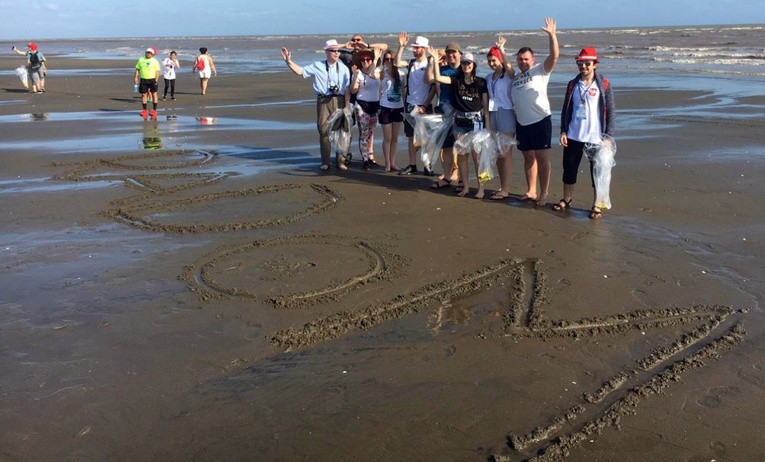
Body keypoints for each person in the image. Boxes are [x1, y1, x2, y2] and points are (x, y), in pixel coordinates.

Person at [555, 47, 616, 219]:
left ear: (595, 64)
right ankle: (567, 199)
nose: (583, 67)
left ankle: (596, 205)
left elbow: (611, 110)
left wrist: (609, 137)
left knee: (596, 172)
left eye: (587, 63)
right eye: (580, 63)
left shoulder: (604, 84)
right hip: (574, 135)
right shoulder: (572, 84)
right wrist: (563, 131)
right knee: (569, 170)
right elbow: (565, 109)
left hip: (597, 138)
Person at [281, 39, 352, 171]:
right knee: (323, 131)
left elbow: (347, 89)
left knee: (341, 132)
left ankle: (341, 161)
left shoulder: (343, 68)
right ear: (326, 51)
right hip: (323, 100)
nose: (336, 53)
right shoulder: (318, 65)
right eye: (333, 51)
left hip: (340, 100)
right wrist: (288, 61)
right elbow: (300, 72)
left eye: (338, 51)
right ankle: (325, 161)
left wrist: (347, 105)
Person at [511, 17, 559, 206]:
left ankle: (544, 193)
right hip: (522, 123)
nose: (523, 61)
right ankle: (531, 190)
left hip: (540, 120)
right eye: (520, 59)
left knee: (541, 156)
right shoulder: (515, 77)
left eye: (526, 59)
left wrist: (552, 35)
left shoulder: (541, 70)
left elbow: (554, 56)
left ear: (533, 60)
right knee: (527, 156)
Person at [430, 51, 490, 198]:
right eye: (464, 63)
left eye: (469, 63)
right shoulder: (456, 80)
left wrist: (487, 126)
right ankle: (466, 187)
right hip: (459, 122)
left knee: (477, 157)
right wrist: (434, 61)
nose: (466, 65)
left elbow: (485, 107)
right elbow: (437, 78)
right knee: (462, 156)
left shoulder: (481, 82)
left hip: (476, 121)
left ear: (473, 64)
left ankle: (481, 188)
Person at [395, 32, 436, 176]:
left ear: (424, 49)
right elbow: (396, 63)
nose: (415, 50)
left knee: (426, 138)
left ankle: (427, 165)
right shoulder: (411, 62)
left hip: (424, 105)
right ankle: (412, 165)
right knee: (411, 137)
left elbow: (430, 84)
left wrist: (425, 105)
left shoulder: (429, 63)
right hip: (410, 104)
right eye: (414, 48)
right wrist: (401, 47)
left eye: (418, 48)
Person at [485, 37, 517, 200]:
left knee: (505, 152)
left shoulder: (508, 75)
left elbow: (511, 68)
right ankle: (502, 186)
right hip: (494, 113)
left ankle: (506, 188)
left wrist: (502, 49)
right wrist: (488, 121)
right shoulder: (489, 78)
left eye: (494, 60)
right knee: (497, 152)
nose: (492, 63)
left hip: (507, 113)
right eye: (489, 61)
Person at [428, 41, 462, 190]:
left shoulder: (465, 68)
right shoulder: (443, 69)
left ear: (460, 54)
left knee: (461, 148)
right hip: (444, 112)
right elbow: (431, 78)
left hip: (461, 114)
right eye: (448, 53)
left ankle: (462, 179)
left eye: (454, 52)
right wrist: (433, 61)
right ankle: (447, 177)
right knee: (447, 147)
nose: (451, 55)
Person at [350, 49, 382, 170]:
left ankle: (370, 156)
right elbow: (353, 90)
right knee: (364, 133)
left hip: (374, 105)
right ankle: (365, 160)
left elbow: (375, 77)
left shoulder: (377, 72)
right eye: (362, 60)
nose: (365, 62)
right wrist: (354, 76)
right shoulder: (358, 73)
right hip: (361, 105)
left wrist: (376, 58)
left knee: (371, 133)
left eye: (367, 59)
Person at [378, 48, 404, 172]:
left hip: (398, 107)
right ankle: (387, 163)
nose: (389, 61)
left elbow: (404, 91)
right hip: (385, 107)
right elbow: (378, 89)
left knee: (395, 138)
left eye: (391, 59)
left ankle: (393, 162)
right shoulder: (382, 73)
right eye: (386, 59)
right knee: (387, 138)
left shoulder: (401, 74)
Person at [134, 47, 161, 119]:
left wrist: (156, 80)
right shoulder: (141, 59)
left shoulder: (155, 61)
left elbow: (158, 71)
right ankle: (144, 110)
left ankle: (154, 110)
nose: (148, 54)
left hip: (152, 79)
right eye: (147, 52)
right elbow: (137, 69)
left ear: (153, 54)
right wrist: (136, 77)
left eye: (150, 53)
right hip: (143, 79)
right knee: (143, 94)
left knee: (154, 94)